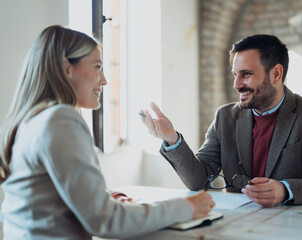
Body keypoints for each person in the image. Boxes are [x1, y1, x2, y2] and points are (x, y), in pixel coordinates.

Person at [0, 25, 215, 240]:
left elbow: (54, 192)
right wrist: (185, 207)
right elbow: (105, 220)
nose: (104, 80)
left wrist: (108, 194)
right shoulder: (60, 119)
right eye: (97, 67)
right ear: (67, 67)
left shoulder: (29, 121)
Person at [140, 34, 302, 208]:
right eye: (235, 74)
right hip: (237, 227)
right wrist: (171, 138)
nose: (236, 84)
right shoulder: (225, 117)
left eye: (246, 74)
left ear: (276, 74)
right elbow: (198, 180)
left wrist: (285, 190)